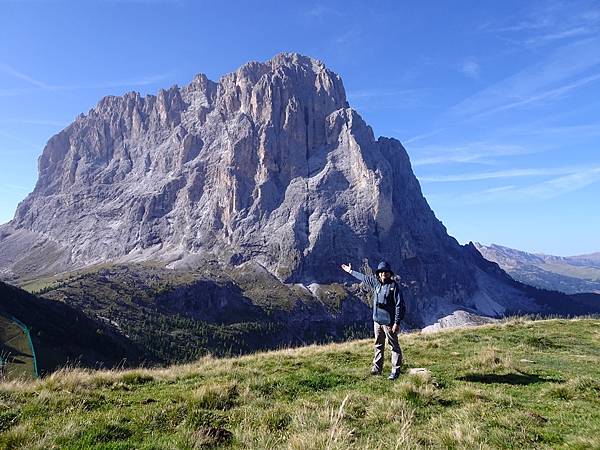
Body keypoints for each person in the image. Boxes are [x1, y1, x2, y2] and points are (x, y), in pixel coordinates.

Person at [341, 261, 405, 380]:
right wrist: (350, 271)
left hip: (389, 323)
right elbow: (364, 277)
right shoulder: (375, 283)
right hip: (377, 321)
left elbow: (399, 306)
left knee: (394, 346)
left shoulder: (394, 286)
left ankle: (395, 371)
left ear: (389, 274)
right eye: (381, 272)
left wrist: (396, 323)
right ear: (379, 274)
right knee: (378, 344)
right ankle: (377, 369)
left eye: (386, 272)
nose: (383, 274)